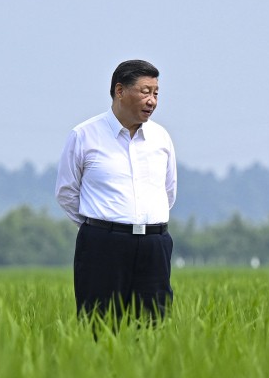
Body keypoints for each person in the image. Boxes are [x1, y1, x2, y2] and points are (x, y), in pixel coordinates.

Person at [55, 59, 177, 323]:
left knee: (153, 327)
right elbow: (66, 192)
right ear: (120, 91)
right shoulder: (84, 135)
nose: (152, 100)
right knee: (99, 325)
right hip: (102, 246)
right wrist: (101, 226)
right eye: (145, 91)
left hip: (154, 245)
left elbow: (168, 192)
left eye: (156, 93)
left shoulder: (161, 138)